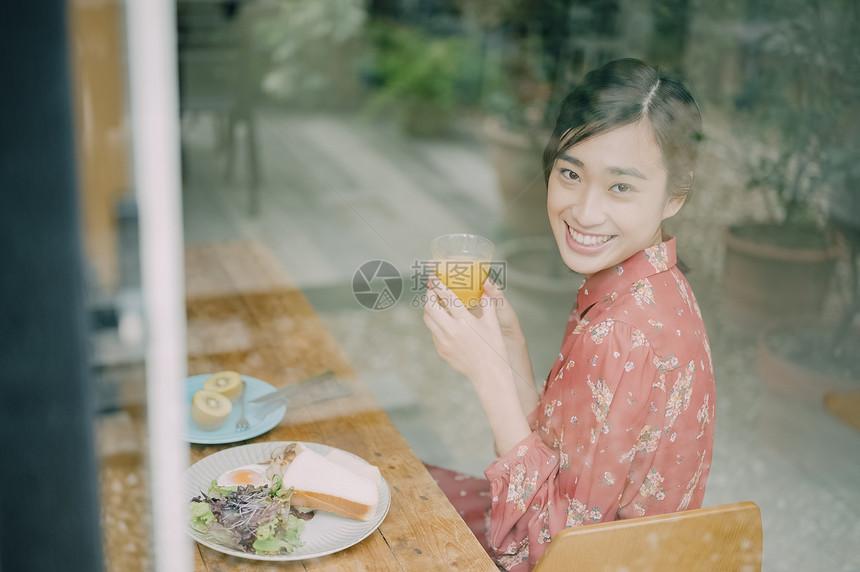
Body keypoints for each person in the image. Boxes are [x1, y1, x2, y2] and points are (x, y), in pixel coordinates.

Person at [423, 58, 715, 571]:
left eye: (620, 187)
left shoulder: (620, 333)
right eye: (571, 173)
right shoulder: (655, 291)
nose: (584, 211)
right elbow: (567, 460)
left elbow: (548, 553)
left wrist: (487, 376)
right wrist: (506, 347)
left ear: (676, 195)